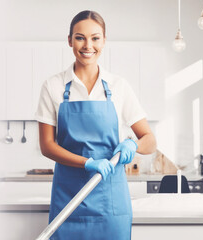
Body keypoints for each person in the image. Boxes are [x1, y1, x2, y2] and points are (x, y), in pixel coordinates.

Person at [35, 10, 157, 240]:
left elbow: (149, 141)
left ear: (104, 41)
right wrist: (87, 162)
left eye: (95, 38)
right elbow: (47, 146)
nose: (87, 45)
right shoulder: (53, 86)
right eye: (80, 37)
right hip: (68, 198)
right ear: (70, 40)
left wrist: (132, 144)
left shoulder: (119, 86)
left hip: (111, 200)